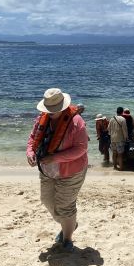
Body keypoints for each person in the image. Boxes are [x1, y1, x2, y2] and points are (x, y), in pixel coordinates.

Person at [26, 88, 88, 253]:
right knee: (46, 200)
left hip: (71, 171)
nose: (51, 113)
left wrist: (55, 158)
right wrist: (30, 153)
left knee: (65, 206)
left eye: (54, 110)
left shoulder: (76, 122)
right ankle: (70, 224)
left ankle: (67, 239)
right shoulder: (42, 119)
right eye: (49, 110)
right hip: (46, 170)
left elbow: (81, 149)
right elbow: (33, 138)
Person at [108, 106, 128, 171]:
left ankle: (115, 166)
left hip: (112, 139)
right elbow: (124, 130)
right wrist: (126, 137)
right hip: (120, 139)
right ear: (122, 112)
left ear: (116, 111)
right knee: (120, 155)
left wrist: (111, 135)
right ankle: (121, 168)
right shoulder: (123, 119)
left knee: (114, 153)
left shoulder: (112, 119)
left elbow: (108, 129)